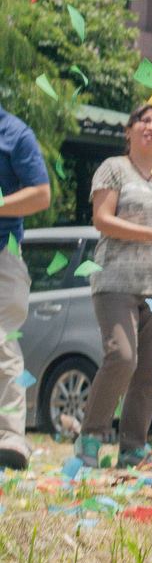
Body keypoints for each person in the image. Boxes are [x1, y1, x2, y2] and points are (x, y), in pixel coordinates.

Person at [77, 102, 152, 467]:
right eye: (145, 120)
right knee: (122, 357)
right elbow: (102, 220)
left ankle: (133, 448)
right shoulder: (114, 168)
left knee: (149, 371)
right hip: (115, 280)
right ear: (130, 130)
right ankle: (91, 436)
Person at [0, 100, 52, 471]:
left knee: (2, 340)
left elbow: (41, 194)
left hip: (3, 254)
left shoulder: (16, 134)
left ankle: (10, 436)